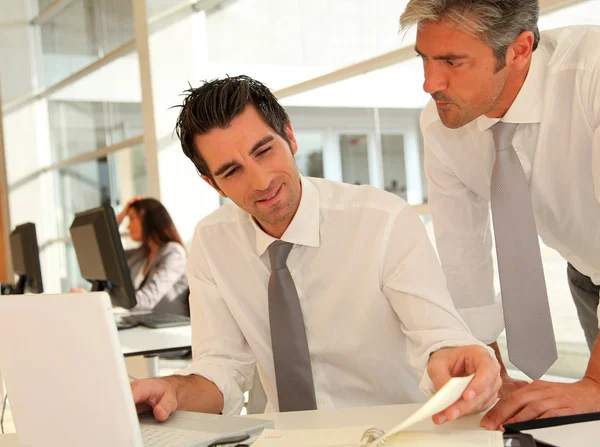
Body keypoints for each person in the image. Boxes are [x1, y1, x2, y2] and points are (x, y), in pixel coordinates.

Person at [131, 75, 501, 423]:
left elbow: (438, 336)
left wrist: (454, 358)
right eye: (232, 172)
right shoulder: (212, 244)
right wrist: (172, 391)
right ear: (213, 184)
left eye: (263, 151)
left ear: (289, 135)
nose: (261, 182)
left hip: (394, 434)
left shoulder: (382, 221)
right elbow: (221, 369)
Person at [399, 0, 600, 429]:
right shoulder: (442, 125)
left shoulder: (593, 77)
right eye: (425, 59)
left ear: (519, 49)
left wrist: (595, 382)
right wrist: (489, 371)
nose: (430, 83)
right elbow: (462, 253)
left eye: (453, 61)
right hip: (589, 271)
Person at [114, 197, 189, 315]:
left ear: (148, 219)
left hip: (169, 328)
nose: (128, 226)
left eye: (132, 218)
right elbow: (105, 254)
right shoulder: (140, 254)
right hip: (141, 323)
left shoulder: (174, 253)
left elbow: (148, 299)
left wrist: (107, 302)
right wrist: (120, 216)